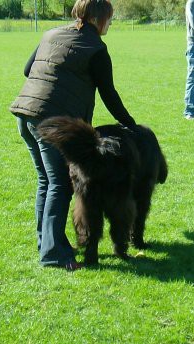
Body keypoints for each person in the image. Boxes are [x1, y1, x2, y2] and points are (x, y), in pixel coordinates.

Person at [10, 0, 136, 271]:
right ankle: (53, 254)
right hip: (51, 124)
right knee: (60, 185)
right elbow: (109, 95)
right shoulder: (96, 49)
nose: (110, 23)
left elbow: (27, 69)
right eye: (110, 18)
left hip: (25, 115)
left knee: (46, 181)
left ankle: (46, 243)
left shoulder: (52, 33)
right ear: (98, 18)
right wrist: (131, 124)